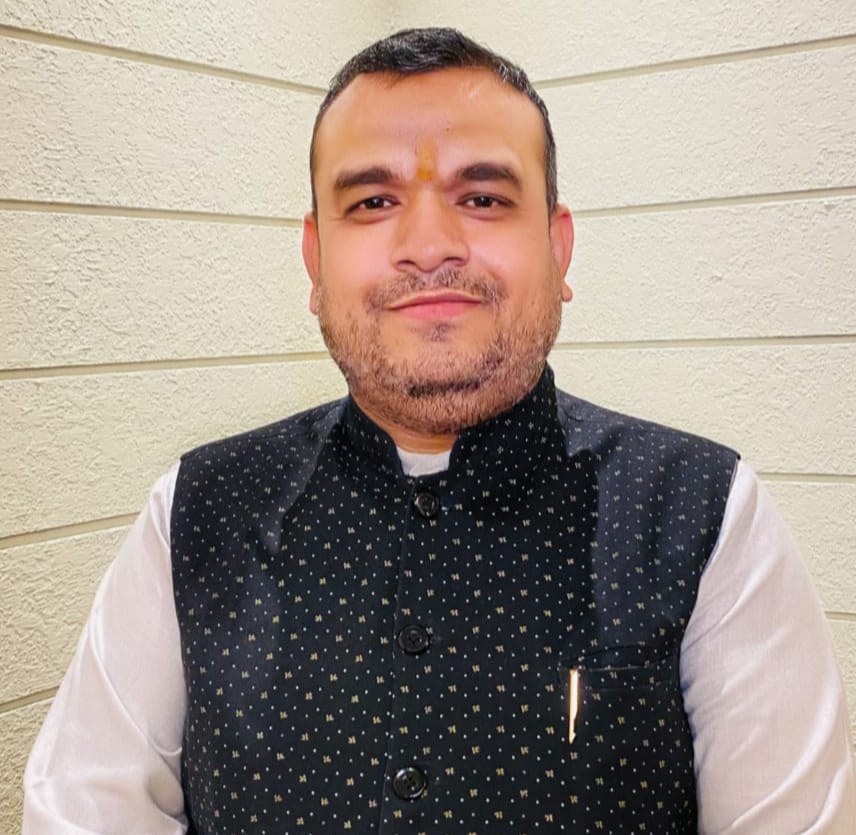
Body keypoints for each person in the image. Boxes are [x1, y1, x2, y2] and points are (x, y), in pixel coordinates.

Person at [23, 27, 854, 834]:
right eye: (373, 201)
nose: (428, 246)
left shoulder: (708, 516)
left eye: (482, 197)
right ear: (315, 261)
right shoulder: (193, 514)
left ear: (558, 248)